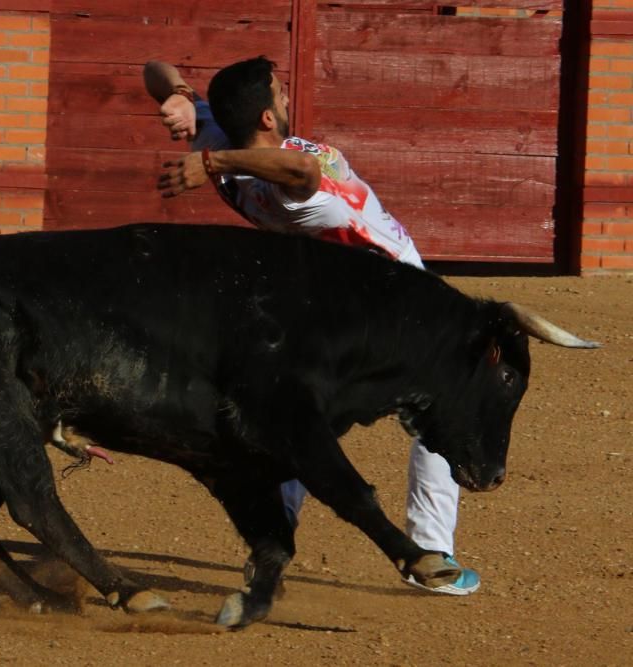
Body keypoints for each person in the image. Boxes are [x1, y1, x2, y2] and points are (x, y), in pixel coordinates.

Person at [143, 57, 480, 595]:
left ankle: (273, 542)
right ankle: (434, 546)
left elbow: (153, 67)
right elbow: (300, 173)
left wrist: (180, 94)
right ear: (268, 121)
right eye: (280, 93)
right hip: (398, 302)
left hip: (324, 308)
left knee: (301, 415)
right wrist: (208, 160)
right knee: (438, 404)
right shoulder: (294, 170)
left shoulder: (224, 140)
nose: (287, 99)